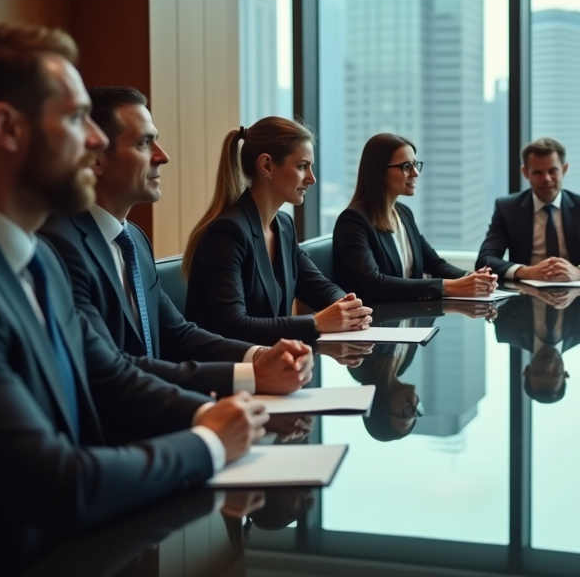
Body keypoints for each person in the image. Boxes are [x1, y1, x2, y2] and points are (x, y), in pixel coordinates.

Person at [0, 24, 267, 574]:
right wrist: (209, 442)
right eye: (76, 118)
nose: (97, 141)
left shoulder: (36, 256)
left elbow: (109, 375)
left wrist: (211, 412)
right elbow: (58, 483)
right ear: (7, 129)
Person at [40, 86, 313, 399]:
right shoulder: (59, 246)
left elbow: (178, 335)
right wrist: (249, 377)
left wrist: (260, 356)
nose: (163, 156)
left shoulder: (133, 240)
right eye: (144, 143)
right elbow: (110, 369)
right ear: (97, 158)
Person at [182, 117, 369, 346]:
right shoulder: (227, 233)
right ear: (267, 166)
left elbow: (316, 286)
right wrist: (315, 323)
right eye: (302, 166)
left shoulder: (283, 225)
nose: (312, 178)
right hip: (226, 365)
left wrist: (348, 306)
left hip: (270, 359)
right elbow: (234, 325)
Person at [332, 133, 498, 302]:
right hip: (376, 315)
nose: (415, 173)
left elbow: (434, 264)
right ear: (379, 171)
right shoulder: (353, 221)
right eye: (406, 166)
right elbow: (374, 283)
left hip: (409, 312)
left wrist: (473, 278)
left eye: (415, 165)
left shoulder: (404, 213)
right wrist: (449, 287)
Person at [476, 137, 580, 282]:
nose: (546, 178)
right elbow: (485, 260)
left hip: (575, 291)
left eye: (552, 171)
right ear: (526, 173)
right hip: (523, 292)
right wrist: (526, 271)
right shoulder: (507, 209)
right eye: (537, 172)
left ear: (564, 170)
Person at [493, 282, 580, 403]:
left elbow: (494, 289)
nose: (548, 366)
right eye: (554, 373)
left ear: (526, 370)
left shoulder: (507, 330)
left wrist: (522, 286)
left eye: (539, 372)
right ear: (565, 373)